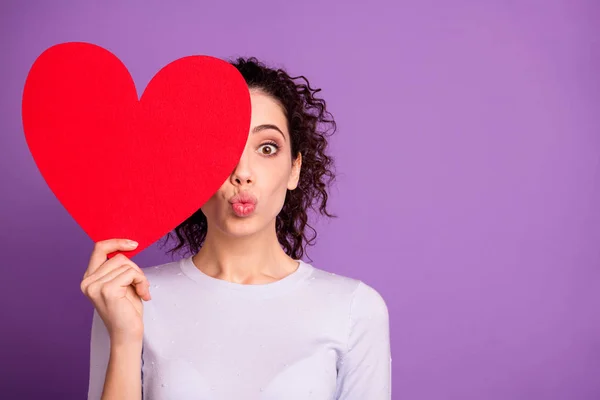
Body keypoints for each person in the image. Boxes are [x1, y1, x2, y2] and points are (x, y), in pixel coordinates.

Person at [81, 56, 391, 400]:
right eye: (219, 147)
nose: (242, 172)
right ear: (189, 170)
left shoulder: (353, 309)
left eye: (267, 148)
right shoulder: (126, 299)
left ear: (294, 169)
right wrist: (124, 338)